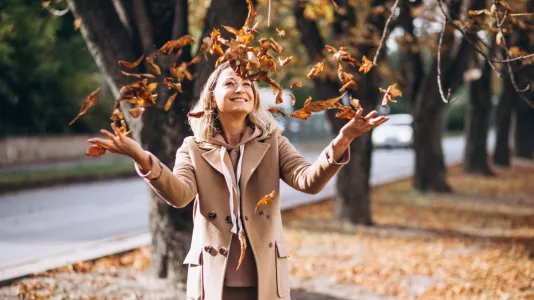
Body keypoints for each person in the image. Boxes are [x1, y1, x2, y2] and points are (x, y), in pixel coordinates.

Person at [88, 61, 388, 300]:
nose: (240, 88)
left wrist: (343, 139)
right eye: (230, 83)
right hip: (214, 276)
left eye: (247, 84)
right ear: (212, 98)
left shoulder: (274, 142)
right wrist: (141, 156)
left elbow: (308, 180)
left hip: (264, 273)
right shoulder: (192, 148)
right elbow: (180, 195)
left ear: (254, 98)